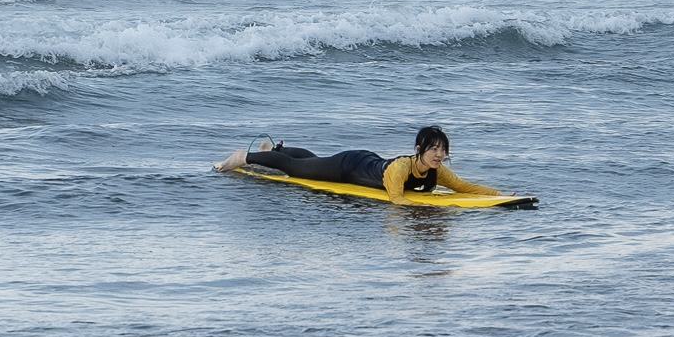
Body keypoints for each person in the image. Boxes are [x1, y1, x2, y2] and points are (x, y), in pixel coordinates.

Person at [215, 125, 505, 204]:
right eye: (434, 150)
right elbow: (396, 199)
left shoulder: (437, 171)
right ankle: (246, 156)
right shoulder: (401, 169)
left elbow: (464, 187)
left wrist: (500, 196)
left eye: (442, 150)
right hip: (349, 166)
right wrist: (435, 211)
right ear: (419, 150)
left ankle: (274, 148)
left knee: (314, 161)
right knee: (297, 168)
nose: (439, 155)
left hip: (367, 160)